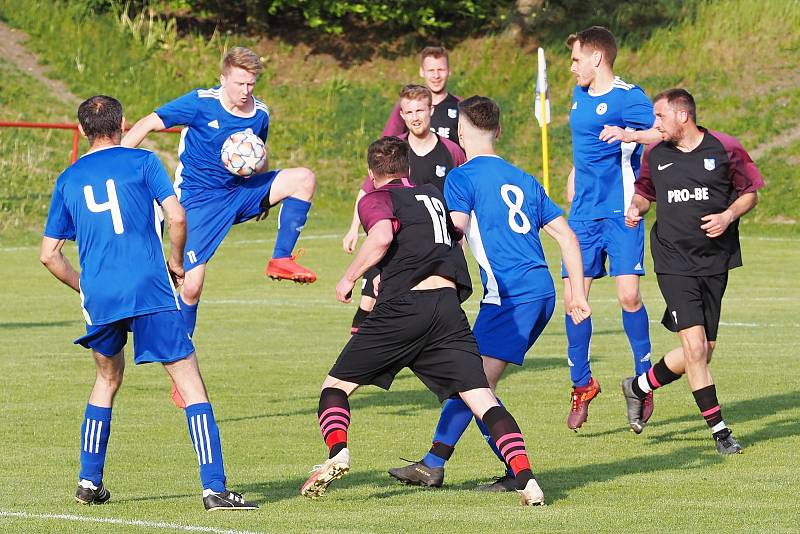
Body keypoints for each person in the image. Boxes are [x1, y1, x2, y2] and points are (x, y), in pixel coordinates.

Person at [300, 137, 546, 506]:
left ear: (371, 174)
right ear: (408, 170)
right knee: (481, 397)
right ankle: (526, 480)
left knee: (335, 387)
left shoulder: (375, 198)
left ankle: (337, 454)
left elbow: (382, 236)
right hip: (447, 307)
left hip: (404, 307)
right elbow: (448, 236)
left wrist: (350, 277)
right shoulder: (432, 194)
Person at [39, 95, 257, 511]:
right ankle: (214, 488)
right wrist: (176, 261)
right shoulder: (143, 163)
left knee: (106, 380)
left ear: (83, 130)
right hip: (149, 287)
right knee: (189, 382)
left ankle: (89, 481)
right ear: (122, 124)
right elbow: (176, 217)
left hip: (101, 295)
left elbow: (49, 254)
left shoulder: (68, 179)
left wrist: (86, 287)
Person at [388, 96, 590, 491]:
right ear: (497, 131)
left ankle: (509, 472)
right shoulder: (524, 177)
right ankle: (434, 462)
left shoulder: (462, 178)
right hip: (542, 293)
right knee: (474, 381)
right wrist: (578, 294)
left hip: (509, 297)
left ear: (460, 133)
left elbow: (455, 231)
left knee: (473, 384)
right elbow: (567, 236)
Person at [122, 46, 317, 341]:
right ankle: (180, 359)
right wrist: (115, 161)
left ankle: (281, 258)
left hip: (240, 192)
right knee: (191, 286)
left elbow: (256, 155)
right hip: (199, 200)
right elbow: (149, 122)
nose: (246, 90)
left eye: (251, 84)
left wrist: (263, 192)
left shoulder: (259, 112)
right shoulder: (201, 103)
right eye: (240, 83)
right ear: (223, 79)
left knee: (304, 178)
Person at [620, 88, 763, 452]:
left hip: (716, 261)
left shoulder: (725, 148)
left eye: (660, 117)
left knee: (703, 350)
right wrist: (636, 207)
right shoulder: (656, 155)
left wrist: (729, 214)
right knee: (695, 348)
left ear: (683, 116)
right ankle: (720, 432)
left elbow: (750, 192)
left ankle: (638, 386)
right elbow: (644, 192)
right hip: (673, 261)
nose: (655, 125)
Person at [563, 26, 663, 430]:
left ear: (596, 58)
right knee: (575, 300)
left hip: (621, 211)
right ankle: (581, 384)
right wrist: (573, 172)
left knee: (629, 296)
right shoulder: (578, 96)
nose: (571, 68)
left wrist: (630, 134)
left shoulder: (629, 96)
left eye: (575, 59)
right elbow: (584, 144)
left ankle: (643, 383)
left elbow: (661, 131)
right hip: (583, 214)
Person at [343, 84, 465, 334]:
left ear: (431, 109)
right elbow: (368, 190)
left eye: (420, 110)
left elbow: (463, 193)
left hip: (434, 242)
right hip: (394, 237)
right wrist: (353, 227)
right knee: (368, 302)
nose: (415, 117)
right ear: (401, 115)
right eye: (408, 112)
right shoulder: (395, 150)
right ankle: (356, 365)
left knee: (435, 300)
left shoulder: (451, 151)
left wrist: (460, 236)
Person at [382, 46, 461, 144]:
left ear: (449, 71)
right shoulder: (407, 105)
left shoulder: (461, 106)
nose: (436, 76)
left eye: (441, 69)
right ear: (422, 72)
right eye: (431, 70)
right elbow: (386, 143)